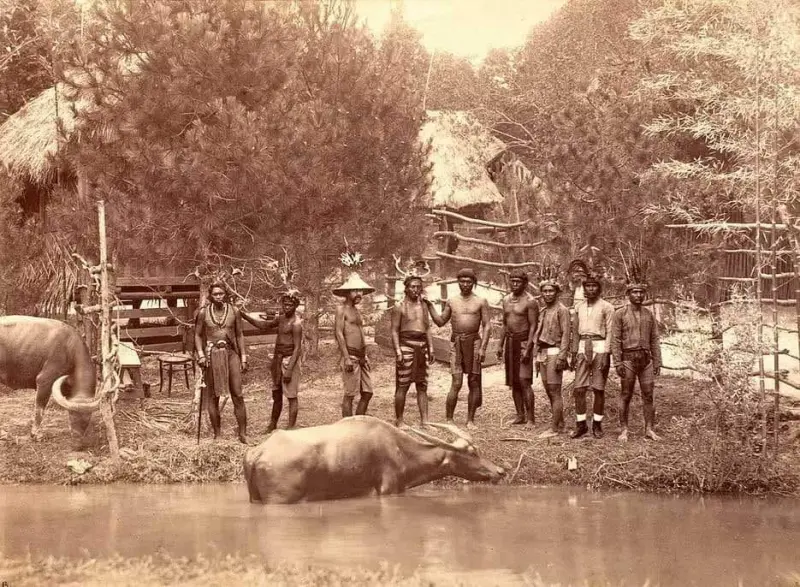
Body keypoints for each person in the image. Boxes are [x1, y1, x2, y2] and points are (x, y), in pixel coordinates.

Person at [424, 267, 490, 429]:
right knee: (456, 382)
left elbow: (487, 326)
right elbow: (440, 322)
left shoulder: (480, 301)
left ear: (473, 283)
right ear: (458, 282)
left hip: (474, 343)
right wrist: (430, 306)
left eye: (468, 282)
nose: (465, 284)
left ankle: (470, 420)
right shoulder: (452, 301)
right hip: (457, 344)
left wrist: (482, 348)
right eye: (462, 281)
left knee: (473, 381)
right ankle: (449, 419)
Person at [241, 290, 303, 433]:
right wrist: (243, 315)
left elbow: (297, 348)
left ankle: (291, 428)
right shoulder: (281, 319)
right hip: (277, 359)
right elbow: (263, 325)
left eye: (289, 305)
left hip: (289, 361)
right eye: (284, 305)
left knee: (291, 396)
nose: (286, 307)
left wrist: (289, 369)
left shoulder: (296, 323)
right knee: (276, 394)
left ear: (295, 306)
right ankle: (272, 425)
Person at [194, 282, 249, 443]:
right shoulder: (203, 313)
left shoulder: (234, 311)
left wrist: (243, 357)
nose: (218, 296)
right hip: (212, 355)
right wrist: (201, 355)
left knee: (237, 394)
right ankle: (217, 434)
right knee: (213, 396)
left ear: (225, 294)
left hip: (231, 354)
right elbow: (197, 335)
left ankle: (243, 433)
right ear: (210, 295)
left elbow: (239, 335)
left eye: (221, 293)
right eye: (215, 294)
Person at [611, 275, 662, 442]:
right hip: (628, 359)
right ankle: (623, 429)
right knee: (626, 393)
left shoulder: (649, 314)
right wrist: (617, 362)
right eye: (635, 292)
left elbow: (654, 338)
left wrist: (657, 361)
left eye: (641, 292)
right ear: (628, 294)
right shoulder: (620, 314)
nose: (638, 295)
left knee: (648, 394)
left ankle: (649, 429)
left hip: (646, 360)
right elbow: (615, 339)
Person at [569, 270, 615, 439]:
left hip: (600, 346)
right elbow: (575, 332)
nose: (591, 289)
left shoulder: (607, 307)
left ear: (599, 288)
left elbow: (610, 331)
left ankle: (597, 424)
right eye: (587, 286)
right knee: (579, 389)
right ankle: (581, 425)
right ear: (584, 289)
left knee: (598, 388)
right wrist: (573, 353)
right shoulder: (578, 307)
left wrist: (607, 353)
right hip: (582, 346)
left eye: (594, 286)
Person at [391, 273, 435, 428]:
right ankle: (400, 420)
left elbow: (427, 327)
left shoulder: (423, 306)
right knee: (403, 385)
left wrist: (431, 347)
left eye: (418, 287)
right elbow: (395, 330)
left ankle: (425, 421)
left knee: (422, 385)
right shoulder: (399, 307)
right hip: (406, 346)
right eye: (413, 287)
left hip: (422, 347)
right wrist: (398, 351)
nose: (416, 290)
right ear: (406, 289)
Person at [496, 269, 539, 426]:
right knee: (514, 381)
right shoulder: (506, 300)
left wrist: (528, 348)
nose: (514, 284)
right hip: (510, 342)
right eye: (512, 281)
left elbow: (534, 326)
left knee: (524, 380)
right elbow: (505, 324)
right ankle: (520, 415)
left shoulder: (530, 301)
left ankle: (531, 418)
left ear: (525, 283)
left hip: (523, 342)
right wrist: (500, 345)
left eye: (518, 281)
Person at [531, 268, 571, 438]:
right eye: (545, 291)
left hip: (555, 352)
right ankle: (560, 423)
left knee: (555, 390)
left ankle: (554, 428)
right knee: (548, 389)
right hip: (543, 353)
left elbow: (566, 335)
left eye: (551, 291)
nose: (547, 294)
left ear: (557, 292)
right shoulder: (544, 311)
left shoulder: (562, 310)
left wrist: (562, 356)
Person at [334, 268, 375, 418]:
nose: (359, 294)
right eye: (355, 290)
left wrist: (365, 355)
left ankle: (358, 421)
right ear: (347, 292)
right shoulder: (341, 309)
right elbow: (339, 333)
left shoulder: (356, 311)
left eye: (360, 290)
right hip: (350, 355)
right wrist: (346, 357)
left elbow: (360, 333)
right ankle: (347, 426)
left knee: (368, 392)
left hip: (361, 356)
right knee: (350, 394)